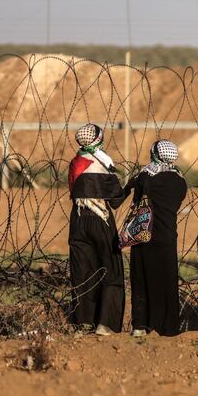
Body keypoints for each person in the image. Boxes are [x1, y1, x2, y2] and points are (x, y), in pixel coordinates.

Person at [124, 139, 188, 337]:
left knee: (141, 279)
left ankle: (141, 325)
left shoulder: (145, 178)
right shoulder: (180, 181)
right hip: (168, 237)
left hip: (145, 235)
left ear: (155, 154)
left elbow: (137, 201)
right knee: (167, 282)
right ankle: (168, 327)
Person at [68, 123, 126, 335]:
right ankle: (106, 323)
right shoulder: (103, 161)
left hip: (78, 219)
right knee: (111, 270)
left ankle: (83, 322)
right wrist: (131, 186)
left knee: (82, 271)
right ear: (98, 139)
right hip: (100, 218)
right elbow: (116, 199)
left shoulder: (75, 162)